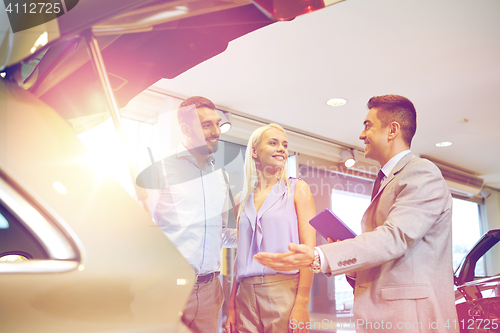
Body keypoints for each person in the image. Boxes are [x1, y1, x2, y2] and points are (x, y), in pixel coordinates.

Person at [254, 95, 459, 333]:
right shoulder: (385, 180)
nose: (362, 135)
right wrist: (353, 268)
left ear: (392, 130)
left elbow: (395, 238)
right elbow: (389, 255)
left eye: (368, 125)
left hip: (413, 321)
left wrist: (319, 256)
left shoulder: (422, 173)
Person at [152, 96, 236, 333]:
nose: (216, 131)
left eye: (217, 123)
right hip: (169, 286)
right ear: (185, 129)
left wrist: (258, 232)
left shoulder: (221, 176)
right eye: (206, 125)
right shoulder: (161, 168)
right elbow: (139, 230)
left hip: (210, 290)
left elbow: (220, 234)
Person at [224, 123, 316, 333]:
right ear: (254, 151)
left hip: (284, 289)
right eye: (273, 143)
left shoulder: (297, 189)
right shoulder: (241, 199)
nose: (281, 149)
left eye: (284, 144)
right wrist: (231, 306)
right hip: (245, 293)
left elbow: (308, 253)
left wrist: (302, 303)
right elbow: (241, 256)